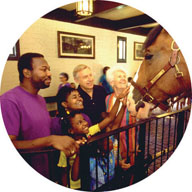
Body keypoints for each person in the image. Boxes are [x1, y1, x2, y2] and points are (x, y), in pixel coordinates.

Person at [0, 53, 79, 179]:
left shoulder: (40, 99)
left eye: (49, 69)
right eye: (44, 69)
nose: (49, 74)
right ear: (27, 73)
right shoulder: (9, 101)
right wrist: (51, 140)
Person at [57, 87, 129, 189]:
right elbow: (67, 173)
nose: (85, 122)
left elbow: (110, 118)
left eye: (83, 120)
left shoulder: (89, 132)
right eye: (80, 122)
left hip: (90, 182)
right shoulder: (67, 145)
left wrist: (118, 100)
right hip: (75, 186)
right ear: (71, 130)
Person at [106, 65, 137, 185]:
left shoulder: (133, 98)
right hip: (113, 143)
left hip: (129, 142)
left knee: (129, 173)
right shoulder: (108, 99)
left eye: (124, 76)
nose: (123, 78)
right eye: (119, 76)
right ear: (112, 82)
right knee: (114, 173)